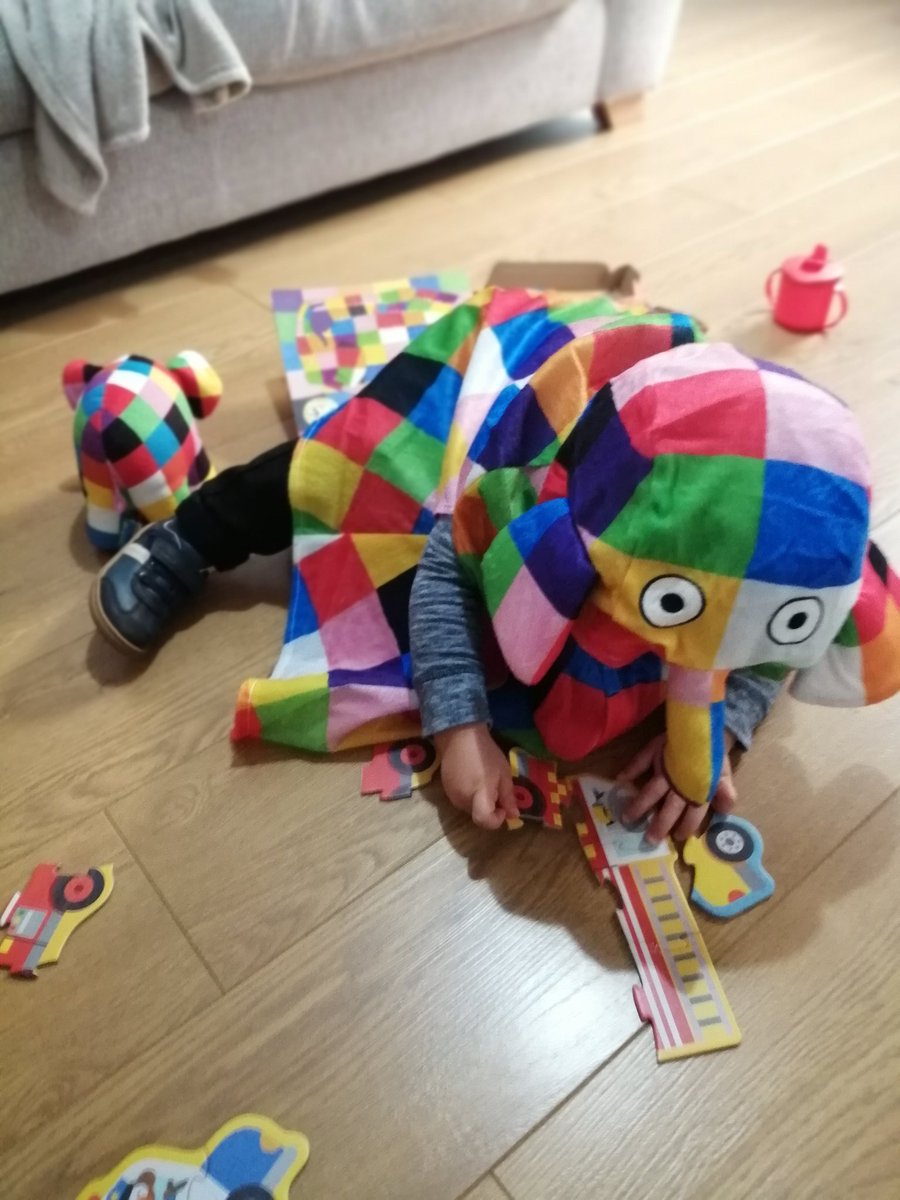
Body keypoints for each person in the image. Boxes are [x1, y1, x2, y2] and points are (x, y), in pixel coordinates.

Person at [86, 290, 900, 845]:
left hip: (707, 430)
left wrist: (730, 729)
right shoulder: (536, 502)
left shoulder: (809, 546)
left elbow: (774, 644)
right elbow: (447, 570)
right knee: (355, 458)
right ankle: (190, 533)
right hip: (524, 364)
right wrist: (460, 722)